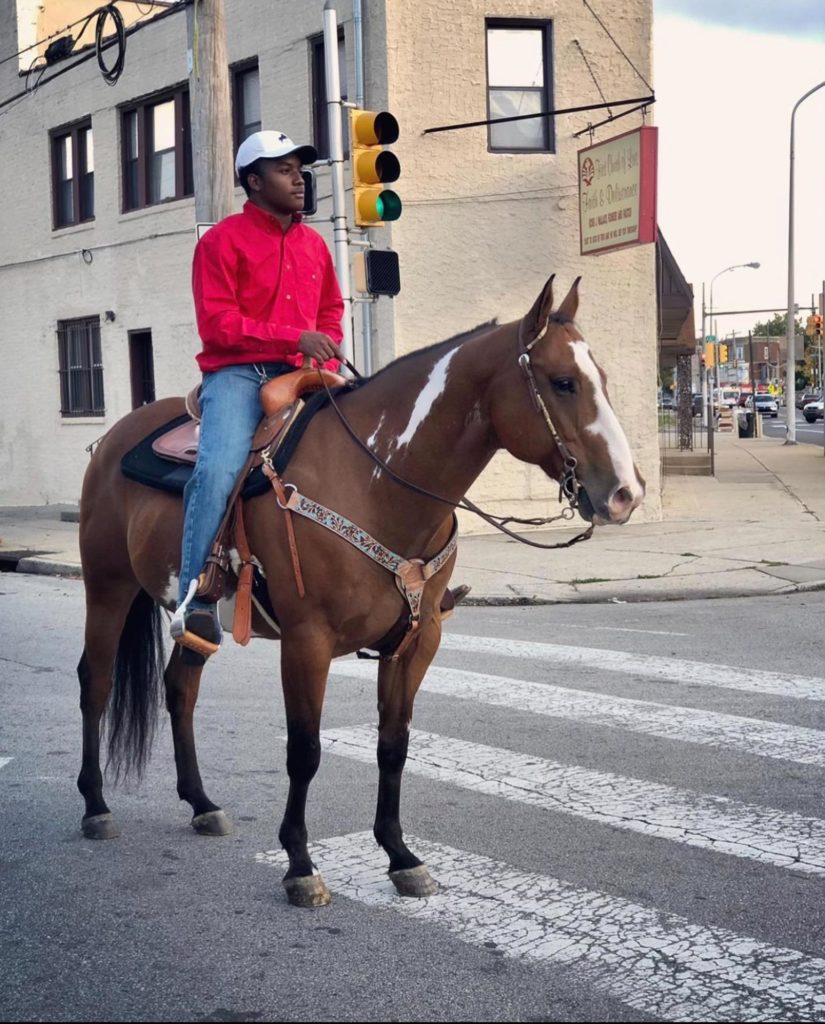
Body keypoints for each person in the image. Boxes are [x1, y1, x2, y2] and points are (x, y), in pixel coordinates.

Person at [170, 130, 344, 658]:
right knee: (220, 468)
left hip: (306, 372)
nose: (298, 178)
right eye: (284, 169)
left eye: (300, 169)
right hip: (239, 374)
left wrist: (327, 357)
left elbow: (330, 312)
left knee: (365, 444)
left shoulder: (314, 244)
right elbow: (218, 323)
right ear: (253, 181)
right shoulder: (220, 241)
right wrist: (292, 337)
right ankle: (195, 596)